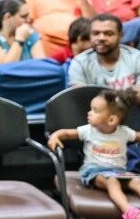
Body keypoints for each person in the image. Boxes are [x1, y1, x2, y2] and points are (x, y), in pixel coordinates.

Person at [47, 89, 140, 219]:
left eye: (95, 111)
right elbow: (66, 133)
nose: (89, 113)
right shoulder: (89, 130)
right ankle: (129, 211)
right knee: (112, 181)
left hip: (119, 172)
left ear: (112, 120)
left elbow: (137, 136)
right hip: (94, 172)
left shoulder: (124, 132)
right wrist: (55, 137)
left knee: (136, 181)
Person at [0, 0, 45, 79]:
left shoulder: (30, 35)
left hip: (29, 84)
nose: (28, 20)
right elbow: (5, 70)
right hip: (0, 88)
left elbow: (43, 67)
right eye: (24, 16)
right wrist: (19, 40)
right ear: (8, 17)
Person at [68, 14, 140, 89]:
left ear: (120, 36)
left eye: (108, 34)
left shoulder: (136, 58)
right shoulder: (79, 63)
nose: (101, 38)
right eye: (96, 33)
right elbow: (78, 96)